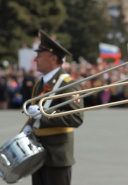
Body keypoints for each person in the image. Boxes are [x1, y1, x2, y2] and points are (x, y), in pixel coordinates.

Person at [22, 30, 84, 185]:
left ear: (53, 58)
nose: (35, 59)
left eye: (39, 56)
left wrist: (44, 114)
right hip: (37, 153)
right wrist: (27, 128)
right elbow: (34, 117)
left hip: (57, 155)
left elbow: (76, 117)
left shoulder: (68, 83)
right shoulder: (40, 84)